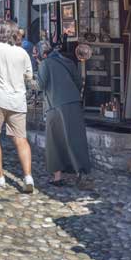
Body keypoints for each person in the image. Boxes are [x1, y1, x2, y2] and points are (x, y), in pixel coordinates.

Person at [0, 20, 35, 193]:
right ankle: (28, 176)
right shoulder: (22, 53)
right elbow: (28, 76)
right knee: (21, 139)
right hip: (18, 100)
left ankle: (0, 176)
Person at [35, 41, 92, 186]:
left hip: (55, 105)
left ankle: (58, 176)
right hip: (74, 102)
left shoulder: (45, 63)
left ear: (43, 54)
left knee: (54, 140)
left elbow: (40, 85)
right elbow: (79, 82)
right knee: (76, 138)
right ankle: (81, 172)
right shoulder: (68, 61)